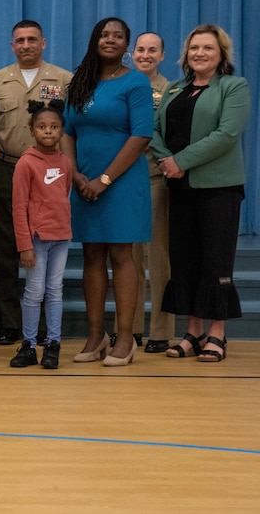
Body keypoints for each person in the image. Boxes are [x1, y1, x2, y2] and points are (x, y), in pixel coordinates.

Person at [151, 24, 251, 363]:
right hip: (179, 187)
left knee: (215, 260)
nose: (200, 53)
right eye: (194, 48)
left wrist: (181, 161)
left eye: (208, 48)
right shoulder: (174, 89)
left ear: (221, 53)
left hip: (219, 188)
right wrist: (168, 162)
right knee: (185, 260)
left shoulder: (234, 87)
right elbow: (154, 130)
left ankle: (217, 334)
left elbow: (226, 134)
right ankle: (192, 332)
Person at [62, 17, 152, 367]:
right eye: (104, 34)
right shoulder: (80, 82)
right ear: (94, 40)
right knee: (91, 256)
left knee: (121, 255)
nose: (110, 40)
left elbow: (141, 135)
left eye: (117, 36)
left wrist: (104, 179)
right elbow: (67, 131)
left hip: (122, 182)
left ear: (126, 45)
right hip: (83, 183)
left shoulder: (135, 82)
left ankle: (125, 337)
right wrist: (76, 176)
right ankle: (95, 335)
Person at [0, 20, 72, 345]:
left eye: (32, 39)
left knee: (45, 247)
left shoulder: (63, 80)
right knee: (4, 250)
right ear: (11, 46)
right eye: (19, 40)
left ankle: (46, 328)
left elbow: (71, 126)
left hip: (50, 171)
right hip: (7, 169)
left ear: (43, 43)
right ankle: (8, 323)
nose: (26, 45)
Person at [9, 101, 72, 370]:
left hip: (61, 238)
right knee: (34, 292)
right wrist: (24, 244)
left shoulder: (66, 162)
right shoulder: (26, 163)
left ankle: (53, 345)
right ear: (32, 130)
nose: (48, 131)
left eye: (54, 127)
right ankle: (29, 345)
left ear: (61, 131)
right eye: (42, 127)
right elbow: (19, 206)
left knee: (55, 291)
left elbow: (64, 195)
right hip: (36, 240)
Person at [127, 32, 173, 353]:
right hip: (125, 179)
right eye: (140, 49)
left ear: (162, 55)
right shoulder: (121, 85)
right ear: (131, 54)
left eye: (152, 50)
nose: (145, 55)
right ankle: (129, 329)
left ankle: (160, 330)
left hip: (156, 177)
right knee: (128, 258)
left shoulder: (172, 91)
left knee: (158, 257)